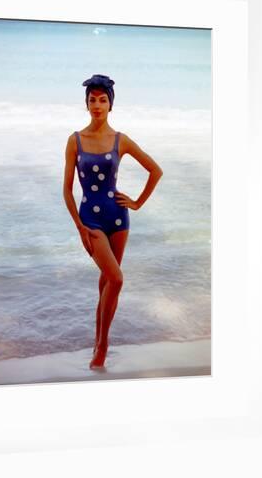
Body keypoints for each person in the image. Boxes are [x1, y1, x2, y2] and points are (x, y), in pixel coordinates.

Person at [63, 74, 163, 368]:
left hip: (118, 218)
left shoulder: (121, 140)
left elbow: (155, 170)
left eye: (102, 100)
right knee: (117, 279)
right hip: (90, 221)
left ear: (110, 105)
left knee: (108, 281)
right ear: (86, 104)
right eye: (92, 100)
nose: (97, 105)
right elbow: (67, 191)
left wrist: (137, 203)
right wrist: (79, 228)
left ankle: (98, 340)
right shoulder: (75, 140)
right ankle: (103, 345)